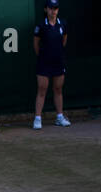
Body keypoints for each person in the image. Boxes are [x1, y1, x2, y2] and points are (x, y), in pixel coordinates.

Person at [33, 1, 70, 129]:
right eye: (50, 8)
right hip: (44, 62)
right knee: (42, 90)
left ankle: (60, 117)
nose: (53, 11)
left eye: (55, 8)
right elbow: (36, 44)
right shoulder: (41, 26)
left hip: (58, 62)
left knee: (58, 89)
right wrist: (44, 56)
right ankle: (37, 119)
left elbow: (64, 40)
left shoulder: (63, 24)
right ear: (46, 9)